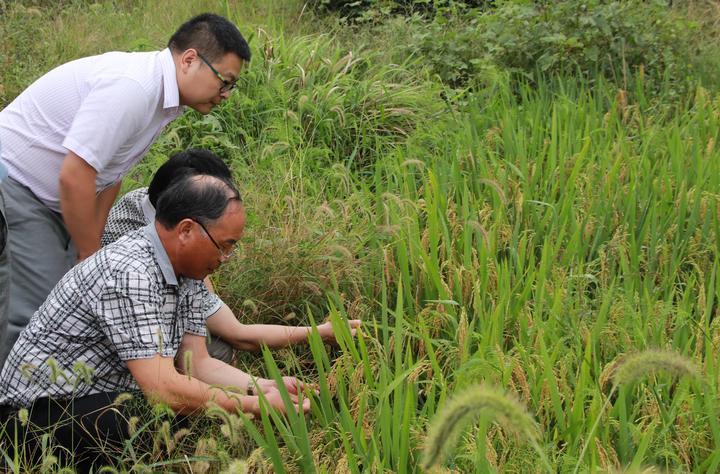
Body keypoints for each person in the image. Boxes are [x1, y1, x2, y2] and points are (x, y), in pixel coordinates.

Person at [0, 173, 311, 472]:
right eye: (224, 246)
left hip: (94, 399)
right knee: (148, 415)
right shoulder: (130, 272)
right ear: (187, 230)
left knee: (180, 409)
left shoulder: (187, 271)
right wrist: (254, 407)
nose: (225, 259)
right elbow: (163, 389)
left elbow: (199, 364)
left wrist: (262, 389)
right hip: (31, 419)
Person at [0, 13, 250, 366]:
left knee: (63, 302)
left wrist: (92, 249)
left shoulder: (163, 101)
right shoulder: (134, 88)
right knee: (32, 315)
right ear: (190, 59)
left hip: (59, 203)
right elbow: (75, 175)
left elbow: (109, 175)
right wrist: (88, 255)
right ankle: (17, 411)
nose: (225, 94)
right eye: (224, 81)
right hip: (19, 190)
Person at [102, 149, 362, 363]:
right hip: (110, 367)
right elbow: (237, 334)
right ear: (186, 219)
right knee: (218, 351)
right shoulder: (145, 258)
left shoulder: (145, 204)